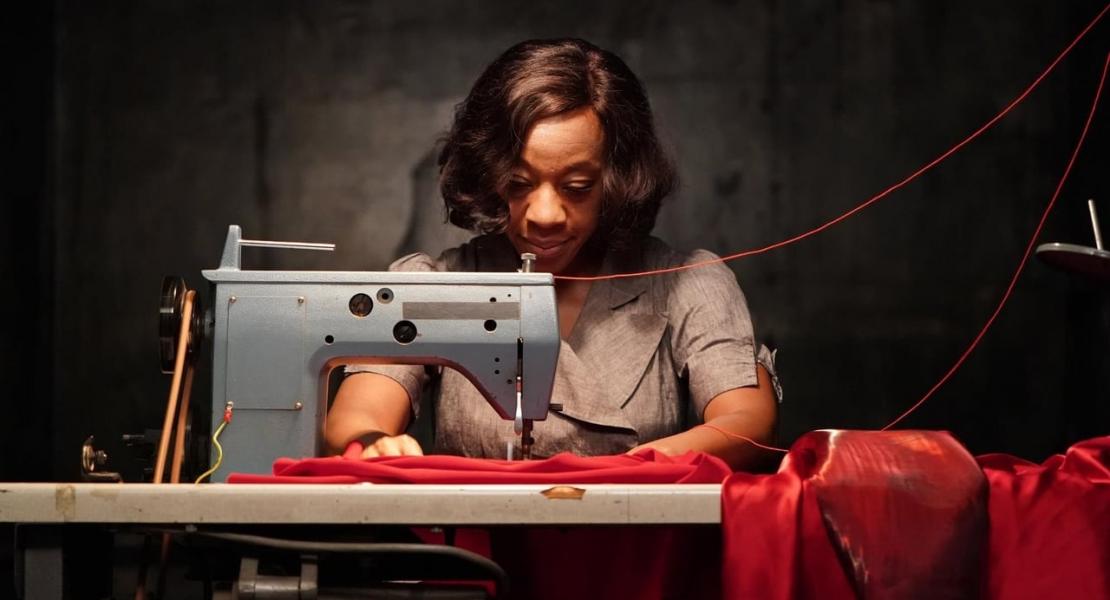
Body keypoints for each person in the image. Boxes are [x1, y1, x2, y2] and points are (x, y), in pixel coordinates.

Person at [325, 38, 780, 470]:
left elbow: (747, 423)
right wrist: (374, 442)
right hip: (472, 530)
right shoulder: (432, 286)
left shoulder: (686, 285)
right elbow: (358, 417)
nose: (544, 215)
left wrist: (628, 472)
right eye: (518, 184)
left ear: (617, 180)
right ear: (488, 174)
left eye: (577, 187)